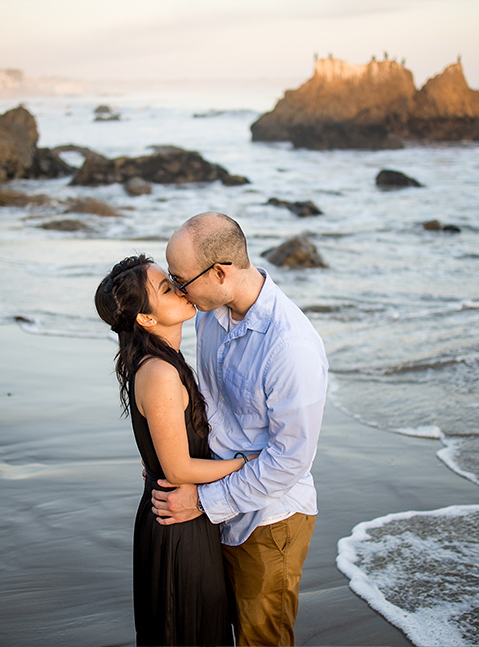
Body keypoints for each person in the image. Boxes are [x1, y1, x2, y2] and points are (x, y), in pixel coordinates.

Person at [152, 212, 329, 646]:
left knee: (260, 640)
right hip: (215, 503)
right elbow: (212, 403)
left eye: (180, 279)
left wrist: (204, 501)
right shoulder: (210, 312)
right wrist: (178, 457)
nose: (177, 290)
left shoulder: (290, 348)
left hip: (269, 521)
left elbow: (290, 460)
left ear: (219, 272)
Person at [95, 254, 254, 647]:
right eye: (167, 289)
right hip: (176, 524)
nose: (180, 288)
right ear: (147, 319)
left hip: (179, 513)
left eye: (172, 280)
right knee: (185, 630)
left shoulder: (164, 363)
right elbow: (180, 468)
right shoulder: (161, 372)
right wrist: (246, 462)